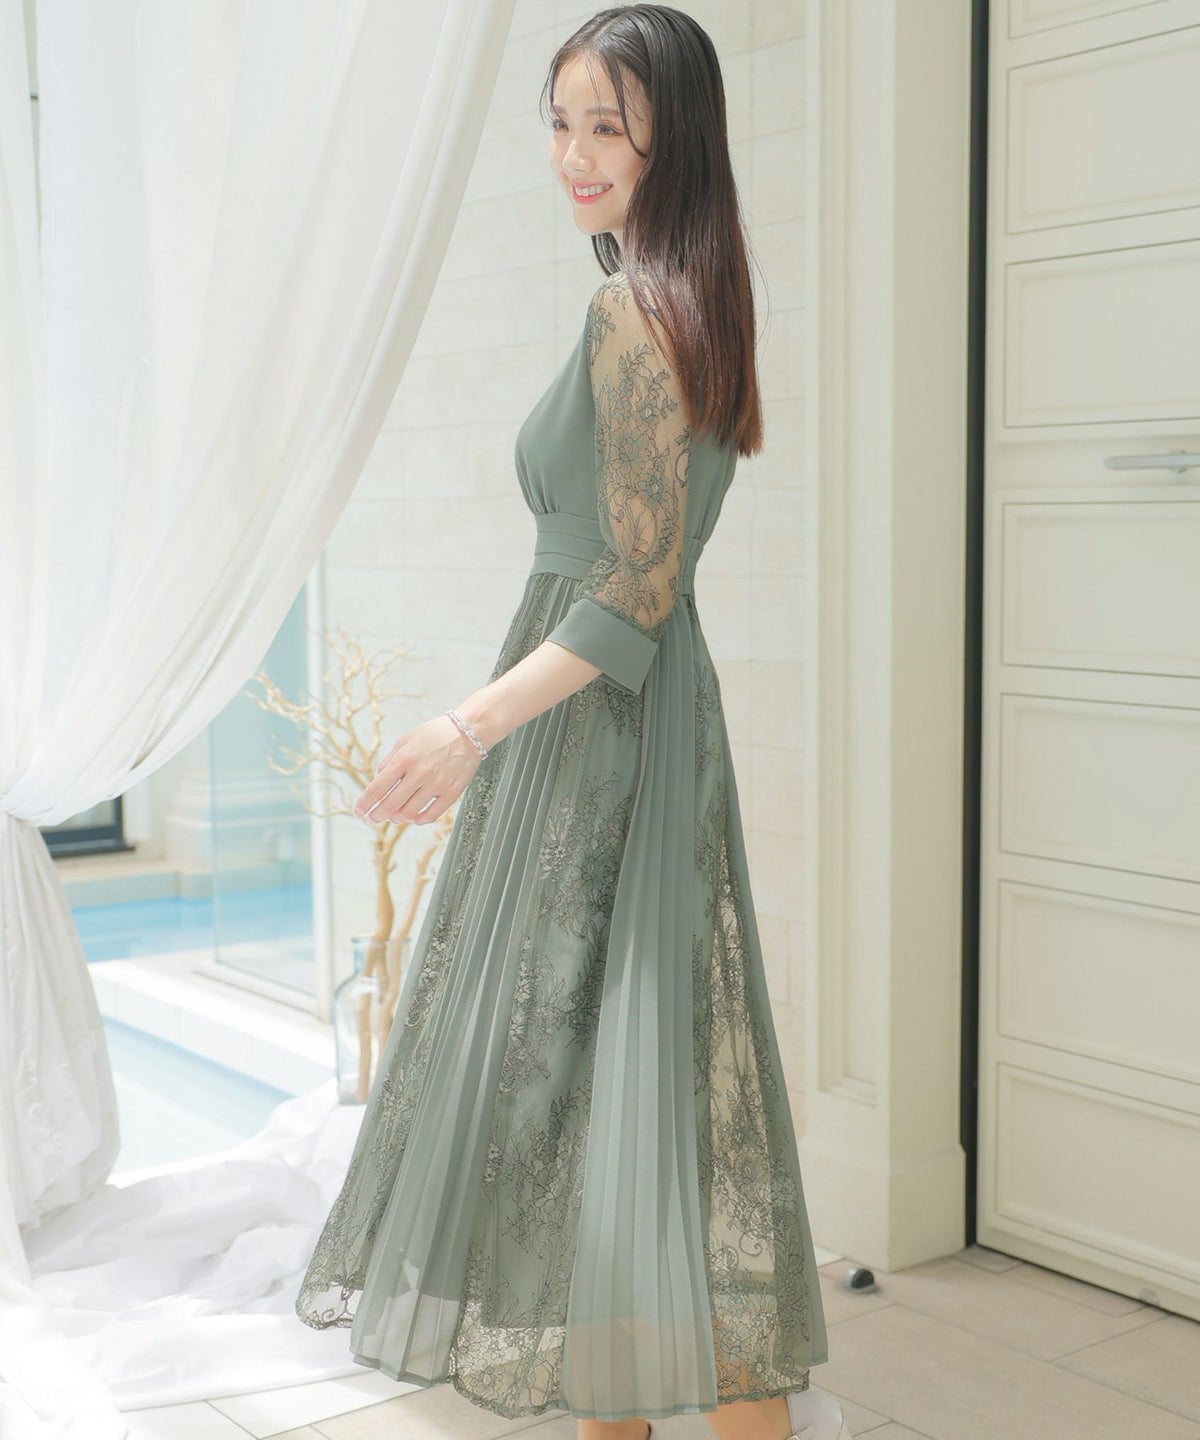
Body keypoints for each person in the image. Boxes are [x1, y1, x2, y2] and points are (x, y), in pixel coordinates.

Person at [295, 7, 847, 1440]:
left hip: (605, 735)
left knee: (599, 1095)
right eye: (559, 121)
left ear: (674, 141)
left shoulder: (636, 312)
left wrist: (462, 727)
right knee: (626, 1102)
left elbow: (630, 596)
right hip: (627, 726)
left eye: (610, 125)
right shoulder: (690, 300)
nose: (574, 154)